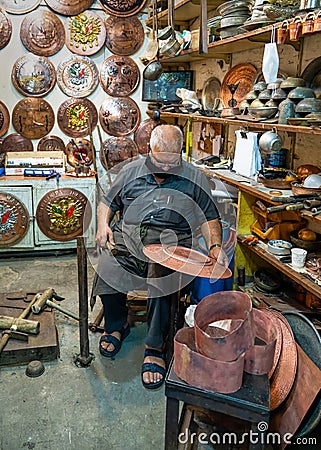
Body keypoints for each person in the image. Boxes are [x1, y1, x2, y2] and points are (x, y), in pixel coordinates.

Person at [91, 124, 228, 389]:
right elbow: (108, 202)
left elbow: (209, 216)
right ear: (148, 150)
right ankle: (117, 325)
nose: (165, 168)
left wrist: (215, 247)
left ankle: (155, 347)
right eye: (159, 161)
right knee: (109, 263)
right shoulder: (130, 171)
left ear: (181, 153)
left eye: (172, 162)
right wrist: (103, 225)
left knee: (161, 275)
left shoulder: (194, 177)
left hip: (171, 240)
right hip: (130, 236)